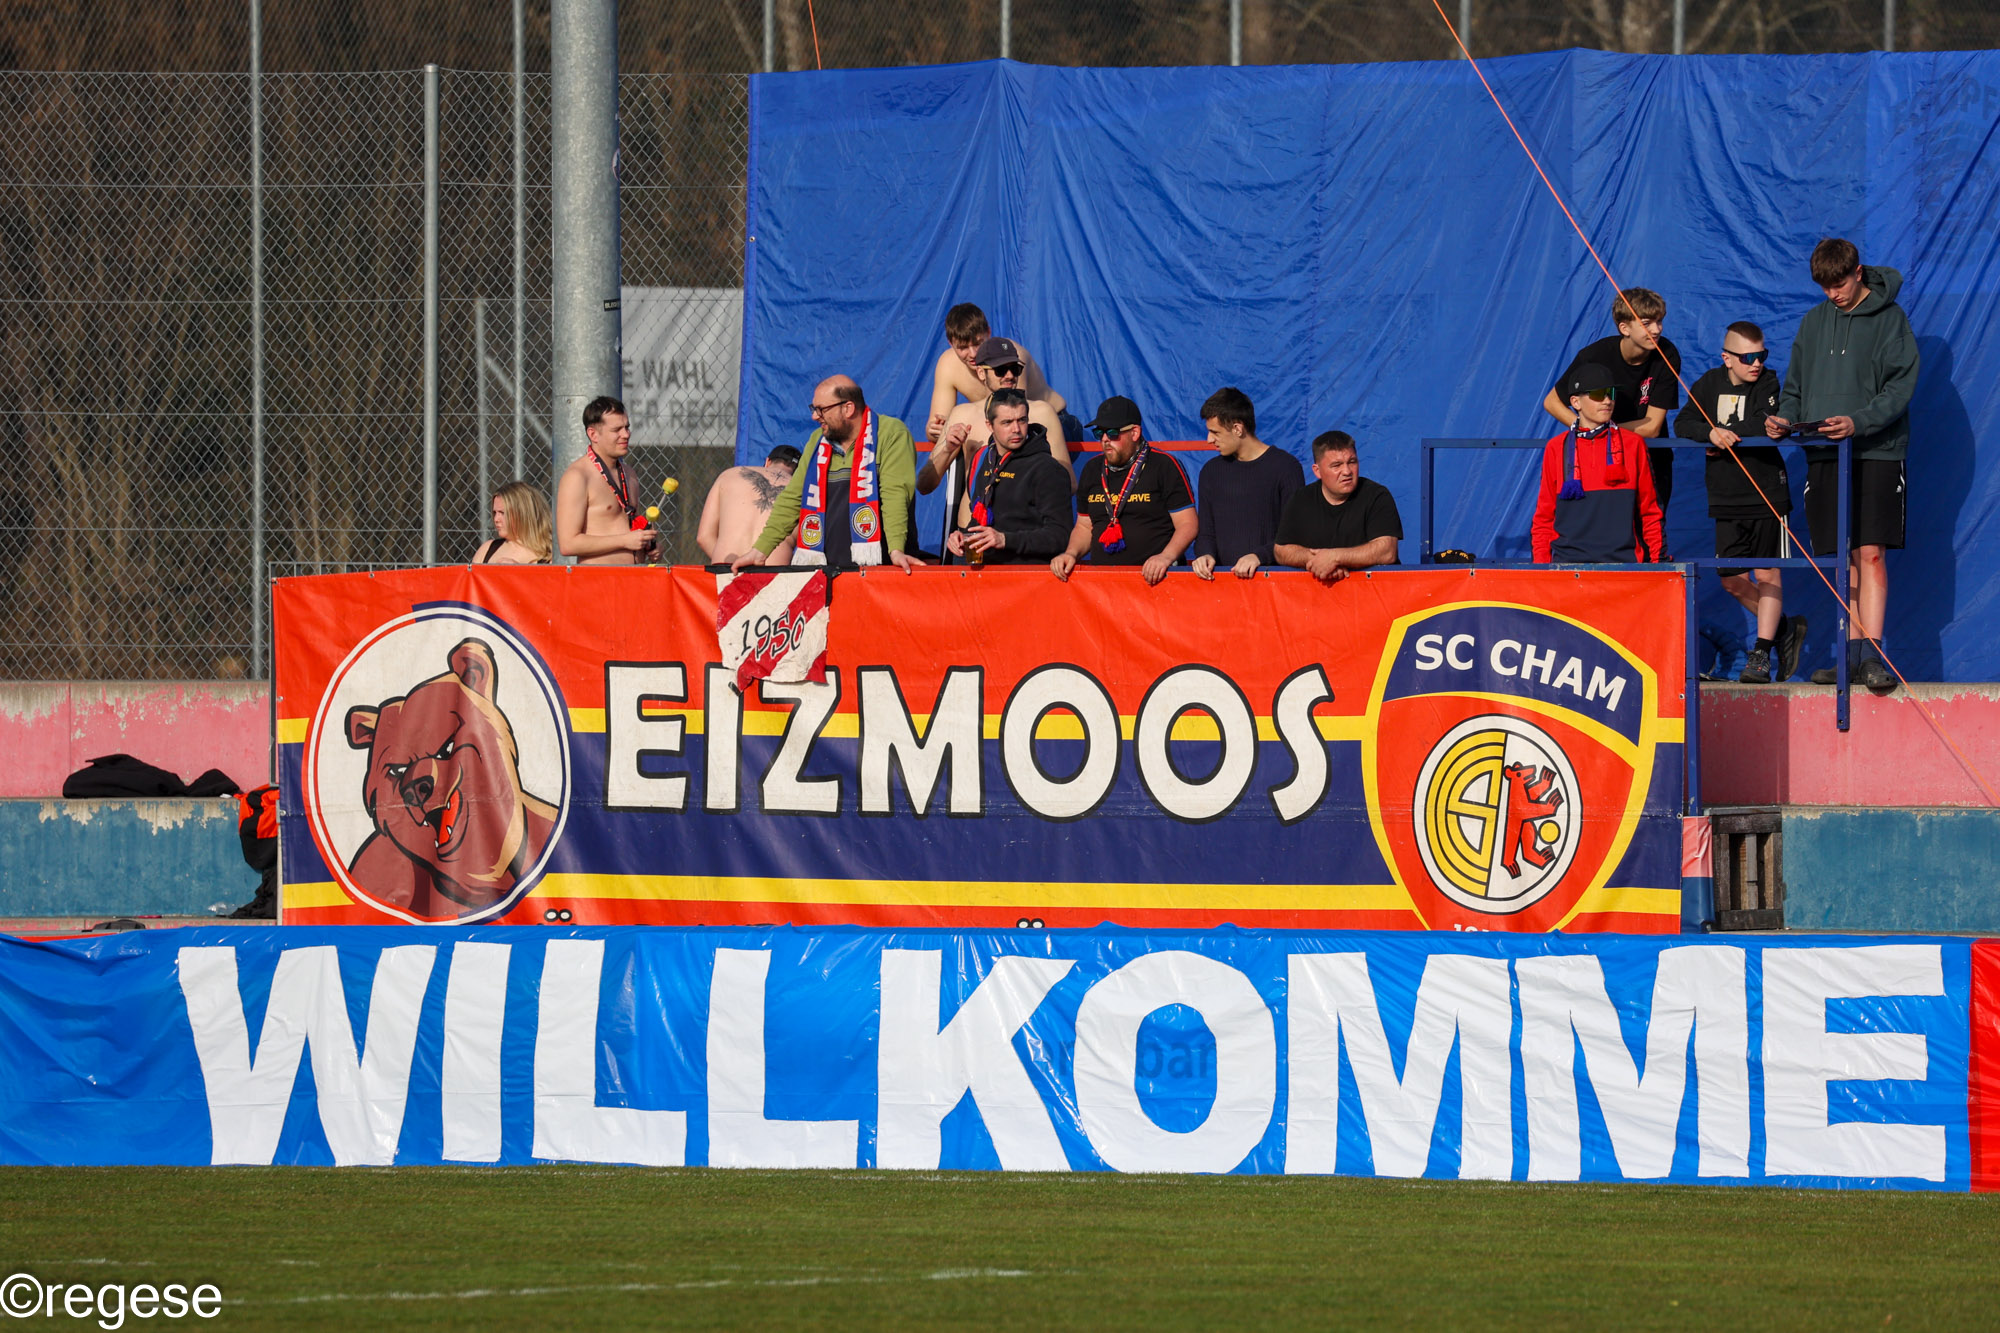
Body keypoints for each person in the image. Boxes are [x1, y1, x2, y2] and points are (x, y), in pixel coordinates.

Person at [1765, 238, 1920, 691]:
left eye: (1839, 284)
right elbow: (1794, 387)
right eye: (1825, 287)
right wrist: (1784, 419)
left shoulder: (1891, 319)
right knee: (1841, 558)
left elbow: (1900, 386)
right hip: (1824, 453)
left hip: (1876, 450)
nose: (1833, 294)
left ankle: (1872, 654)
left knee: (1870, 553)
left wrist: (1859, 421)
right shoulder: (1814, 321)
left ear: (1857, 272)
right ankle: (1850, 657)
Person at [1674, 321, 1807, 684]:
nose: (1757, 363)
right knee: (1731, 579)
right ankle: (1783, 629)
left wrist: (1725, 435)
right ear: (1727, 358)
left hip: (1766, 493)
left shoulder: (1768, 383)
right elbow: (1683, 423)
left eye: (1761, 355)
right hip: (1725, 496)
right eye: (1748, 357)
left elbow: (1764, 423)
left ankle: (1761, 653)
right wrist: (1710, 432)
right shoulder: (1708, 384)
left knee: (1766, 573)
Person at [731, 376, 919, 571]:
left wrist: (896, 550)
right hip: (827, 570)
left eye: (821, 409)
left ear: (848, 408)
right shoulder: (817, 441)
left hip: (880, 567)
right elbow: (792, 498)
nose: (815, 416)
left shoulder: (890, 433)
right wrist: (760, 551)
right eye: (814, 409)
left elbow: (895, 494)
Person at [1543, 287, 1683, 511]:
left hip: (1650, 457)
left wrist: (1601, 432)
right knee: (1609, 523)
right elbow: (1551, 402)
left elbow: (1652, 427)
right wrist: (1585, 431)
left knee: (1652, 525)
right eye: (1646, 323)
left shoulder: (1667, 353)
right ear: (1624, 328)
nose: (1656, 329)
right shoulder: (1594, 356)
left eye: (1659, 321)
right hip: (1605, 459)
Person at [1051, 396, 1195, 586]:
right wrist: (1071, 553)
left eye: (1112, 433)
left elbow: (1188, 524)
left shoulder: (1164, 465)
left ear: (1134, 433)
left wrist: (1166, 557)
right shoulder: (1092, 469)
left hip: (1154, 581)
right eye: (1099, 433)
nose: (1104, 439)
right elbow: (1084, 526)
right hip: (1104, 585)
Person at [1531, 363, 1666, 564]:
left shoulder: (1633, 444)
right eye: (1597, 394)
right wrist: (1542, 568)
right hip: (1567, 566)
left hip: (1624, 565)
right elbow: (1544, 516)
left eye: (1611, 393)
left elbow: (1651, 511)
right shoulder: (1556, 447)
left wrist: (1659, 564)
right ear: (1576, 402)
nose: (1607, 401)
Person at [918, 337, 1074, 497]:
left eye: (1015, 369)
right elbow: (924, 485)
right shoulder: (963, 415)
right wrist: (947, 450)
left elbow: (1069, 483)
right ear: (981, 372)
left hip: (1024, 512)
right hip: (974, 513)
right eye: (1000, 370)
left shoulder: (1042, 413)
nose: (1009, 375)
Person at [945, 389, 1073, 566]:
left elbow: (1060, 536)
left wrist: (1005, 540)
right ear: (990, 426)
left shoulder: (1047, 468)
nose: (1016, 429)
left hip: (1027, 575)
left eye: (1022, 420)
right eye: (1007, 422)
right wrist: (963, 536)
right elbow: (980, 520)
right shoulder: (986, 459)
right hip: (986, 571)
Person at [1190, 386, 1305, 581]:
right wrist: (1205, 554)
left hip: (1274, 585)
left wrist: (1260, 556)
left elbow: (1295, 533)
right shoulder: (1210, 472)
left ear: (1238, 428)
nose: (1209, 440)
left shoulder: (1286, 467)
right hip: (1221, 586)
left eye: (1215, 432)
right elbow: (1206, 532)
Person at [926, 304, 1067, 443]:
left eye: (978, 343)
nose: (973, 354)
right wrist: (937, 430)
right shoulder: (947, 364)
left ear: (988, 333)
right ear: (951, 344)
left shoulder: (1011, 357)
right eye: (963, 347)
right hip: (1000, 425)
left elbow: (1016, 414)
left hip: (1055, 420)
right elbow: (935, 427)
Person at [1274, 431, 1402, 583]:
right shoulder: (1300, 499)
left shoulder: (1377, 496)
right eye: (1336, 465)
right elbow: (1281, 550)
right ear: (1317, 471)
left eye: (1352, 462)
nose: (1347, 471)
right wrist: (1318, 561)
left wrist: (1335, 558)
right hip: (1317, 595)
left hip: (1373, 592)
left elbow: (1387, 552)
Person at [556, 396, 656, 565]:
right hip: (598, 578)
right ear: (593, 434)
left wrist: (649, 546)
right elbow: (568, 544)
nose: (625, 434)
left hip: (635, 575)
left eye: (627, 427)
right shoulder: (577, 476)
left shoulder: (629, 473)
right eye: (616, 430)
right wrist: (624, 541)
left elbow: (628, 527)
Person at [696, 446, 800, 562]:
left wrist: (734, 566)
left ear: (767, 462)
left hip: (727, 565)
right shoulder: (801, 491)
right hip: (772, 569)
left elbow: (703, 537)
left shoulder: (729, 475)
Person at [475, 480, 554, 565]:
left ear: (523, 513)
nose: (496, 519)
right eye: (495, 513)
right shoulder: (487, 550)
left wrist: (517, 571)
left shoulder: (550, 555)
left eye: (502, 513)